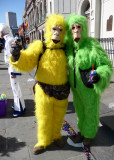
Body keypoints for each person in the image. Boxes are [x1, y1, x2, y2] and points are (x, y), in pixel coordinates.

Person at [9, 14, 70, 155]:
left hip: (62, 90)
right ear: (49, 29)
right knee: (43, 116)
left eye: (60, 30)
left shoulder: (67, 48)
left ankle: (56, 136)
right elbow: (28, 59)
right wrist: (17, 56)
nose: (57, 32)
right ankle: (43, 141)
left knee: (59, 116)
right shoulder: (40, 46)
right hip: (44, 89)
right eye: (54, 29)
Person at [65, 14, 113, 149]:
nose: (75, 30)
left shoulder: (92, 44)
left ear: (83, 28)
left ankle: (89, 134)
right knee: (80, 111)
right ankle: (82, 131)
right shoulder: (70, 47)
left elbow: (105, 65)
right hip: (76, 89)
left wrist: (98, 74)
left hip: (89, 88)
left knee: (90, 110)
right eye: (72, 27)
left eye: (78, 26)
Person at [0, 24, 26, 117]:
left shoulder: (9, 40)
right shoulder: (8, 39)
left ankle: (19, 110)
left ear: (3, 32)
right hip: (11, 68)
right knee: (16, 88)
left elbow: (14, 57)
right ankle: (21, 106)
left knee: (15, 90)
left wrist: (13, 72)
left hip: (12, 68)